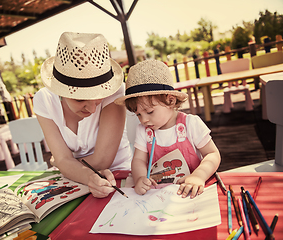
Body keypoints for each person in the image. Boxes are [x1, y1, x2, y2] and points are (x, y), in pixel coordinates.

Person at [33, 32, 132, 198]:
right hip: (77, 183)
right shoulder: (44, 100)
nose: (93, 109)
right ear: (60, 91)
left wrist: (65, 165)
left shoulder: (115, 91)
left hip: (120, 178)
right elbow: (64, 161)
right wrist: (72, 168)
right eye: (80, 99)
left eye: (98, 98)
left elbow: (102, 161)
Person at [114, 59, 221, 198]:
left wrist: (199, 175)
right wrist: (140, 178)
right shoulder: (144, 131)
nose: (144, 120)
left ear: (170, 100)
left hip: (193, 193)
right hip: (159, 195)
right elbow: (138, 160)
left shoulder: (191, 124)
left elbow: (212, 154)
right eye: (138, 114)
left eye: (150, 111)